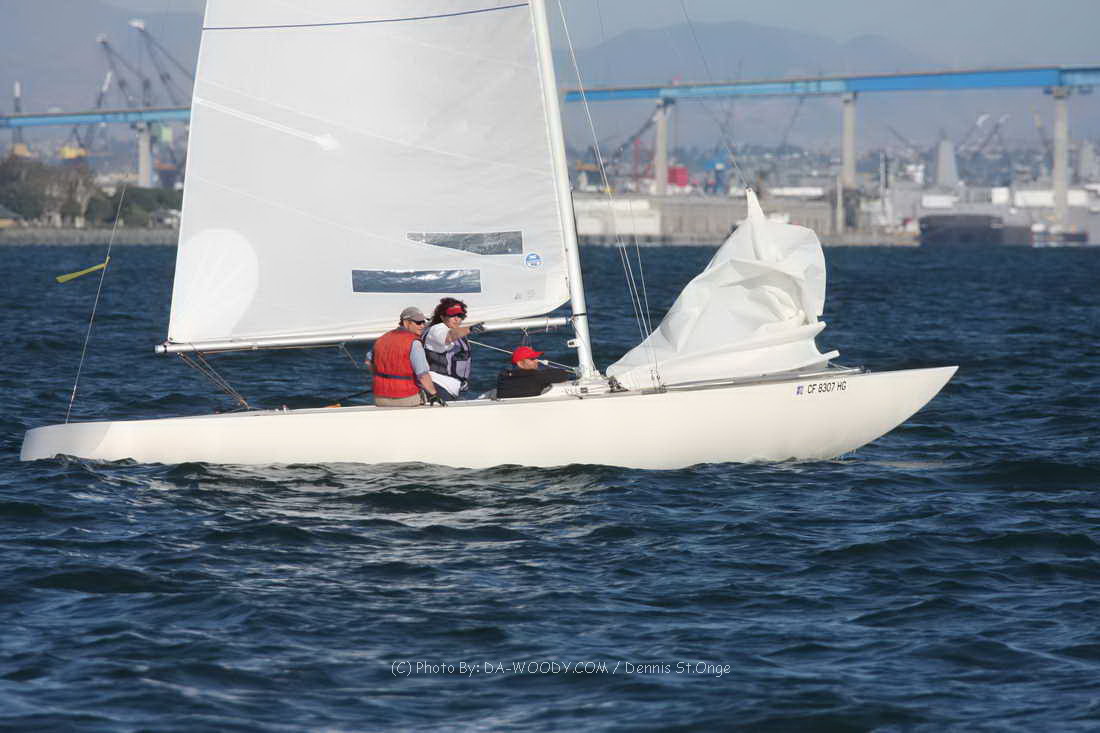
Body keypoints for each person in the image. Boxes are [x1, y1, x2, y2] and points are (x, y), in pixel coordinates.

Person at [366, 306, 445, 407]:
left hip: (380, 398)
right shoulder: (414, 343)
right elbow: (422, 375)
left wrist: (382, 380)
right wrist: (434, 395)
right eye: (418, 323)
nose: (422, 326)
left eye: (423, 322)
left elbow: (368, 362)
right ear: (406, 323)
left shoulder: (382, 339)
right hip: (406, 397)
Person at [422, 298, 485, 401]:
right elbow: (449, 336)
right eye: (452, 315)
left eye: (460, 316)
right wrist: (470, 329)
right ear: (442, 317)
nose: (456, 319)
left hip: (450, 389)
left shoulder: (457, 332)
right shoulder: (437, 329)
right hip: (437, 385)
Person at [496, 345, 574, 399]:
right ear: (520, 363)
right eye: (532, 359)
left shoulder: (503, 377)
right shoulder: (536, 376)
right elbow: (563, 375)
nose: (536, 361)